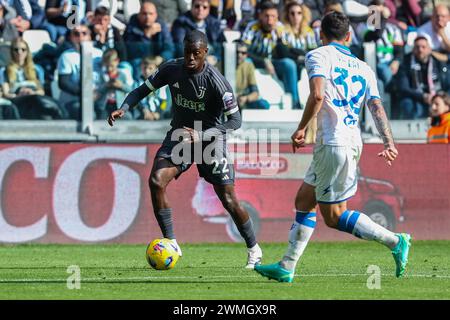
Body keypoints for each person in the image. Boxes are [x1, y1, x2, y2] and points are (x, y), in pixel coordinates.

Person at [254, 11, 411, 283]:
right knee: (304, 199)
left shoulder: (318, 55)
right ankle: (286, 266)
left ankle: (395, 240)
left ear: (321, 34)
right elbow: (375, 105)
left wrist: (301, 128)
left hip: (332, 142)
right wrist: (388, 142)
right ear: (349, 36)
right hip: (350, 141)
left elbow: (317, 95)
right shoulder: (364, 67)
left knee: (334, 216)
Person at [107, 30, 263, 268]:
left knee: (229, 199)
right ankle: (171, 241)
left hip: (210, 139)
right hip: (181, 135)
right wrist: (124, 107)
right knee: (156, 181)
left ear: (205, 53)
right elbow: (141, 90)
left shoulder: (217, 82)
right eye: (187, 52)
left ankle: (254, 248)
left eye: (196, 53)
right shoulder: (171, 69)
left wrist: (201, 135)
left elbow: (235, 121)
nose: (191, 58)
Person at [241, 0, 301, 109]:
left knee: (289, 64)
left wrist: (279, 40)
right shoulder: (252, 27)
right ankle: (252, 101)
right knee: (246, 62)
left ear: (277, 16)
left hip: (273, 63)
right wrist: (264, 62)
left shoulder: (280, 28)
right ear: (260, 16)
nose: (270, 21)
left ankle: (294, 103)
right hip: (256, 61)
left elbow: (285, 54)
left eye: (273, 16)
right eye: (266, 16)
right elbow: (243, 52)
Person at [0, 37, 64, 119]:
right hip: (17, 99)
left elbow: (41, 91)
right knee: (38, 100)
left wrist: (31, 92)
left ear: (27, 52)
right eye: (16, 50)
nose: (19, 52)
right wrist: (19, 94)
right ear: (12, 52)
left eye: (23, 49)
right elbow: (6, 93)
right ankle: (61, 114)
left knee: (39, 104)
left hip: (34, 96)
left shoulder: (36, 69)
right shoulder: (4, 70)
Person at [396, 36, 450, 119]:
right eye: (417, 47)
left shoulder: (438, 63)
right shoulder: (406, 64)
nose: (420, 50)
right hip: (416, 97)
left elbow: (447, 84)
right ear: (413, 49)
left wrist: (440, 97)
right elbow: (403, 88)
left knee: (441, 104)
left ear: (429, 49)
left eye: (423, 47)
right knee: (408, 103)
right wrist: (423, 96)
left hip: (437, 96)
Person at [57, 24, 103, 120]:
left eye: (84, 33)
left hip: (98, 98)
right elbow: (64, 83)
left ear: (90, 36)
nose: (80, 36)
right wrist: (86, 94)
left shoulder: (100, 54)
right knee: (89, 115)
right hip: (74, 100)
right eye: (76, 34)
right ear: (71, 38)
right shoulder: (66, 56)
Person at [171, 0, 225, 65]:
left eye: (204, 7)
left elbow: (222, 45)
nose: (200, 9)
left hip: (212, 63)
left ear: (209, 9)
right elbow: (180, 48)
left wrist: (215, 57)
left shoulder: (214, 23)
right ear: (191, 6)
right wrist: (201, 58)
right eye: (197, 6)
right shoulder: (181, 22)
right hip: (190, 63)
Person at [94, 49, 133, 120]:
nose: (109, 69)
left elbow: (129, 89)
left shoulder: (122, 75)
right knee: (102, 118)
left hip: (119, 105)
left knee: (128, 117)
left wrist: (121, 86)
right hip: (105, 105)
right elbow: (99, 90)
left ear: (117, 61)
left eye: (111, 66)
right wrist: (106, 86)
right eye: (107, 66)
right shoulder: (102, 75)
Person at [133, 56, 172, 120]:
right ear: (141, 68)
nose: (147, 71)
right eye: (144, 68)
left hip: (159, 114)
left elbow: (165, 101)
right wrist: (145, 110)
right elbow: (136, 99)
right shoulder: (137, 83)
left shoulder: (162, 84)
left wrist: (158, 113)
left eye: (150, 68)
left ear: (156, 69)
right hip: (143, 113)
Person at [235, 42, 270, 110]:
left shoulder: (248, 66)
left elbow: (255, 92)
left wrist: (246, 98)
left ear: (246, 55)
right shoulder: (223, 64)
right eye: (237, 52)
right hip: (226, 101)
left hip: (243, 99)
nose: (239, 55)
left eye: (243, 53)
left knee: (264, 105)